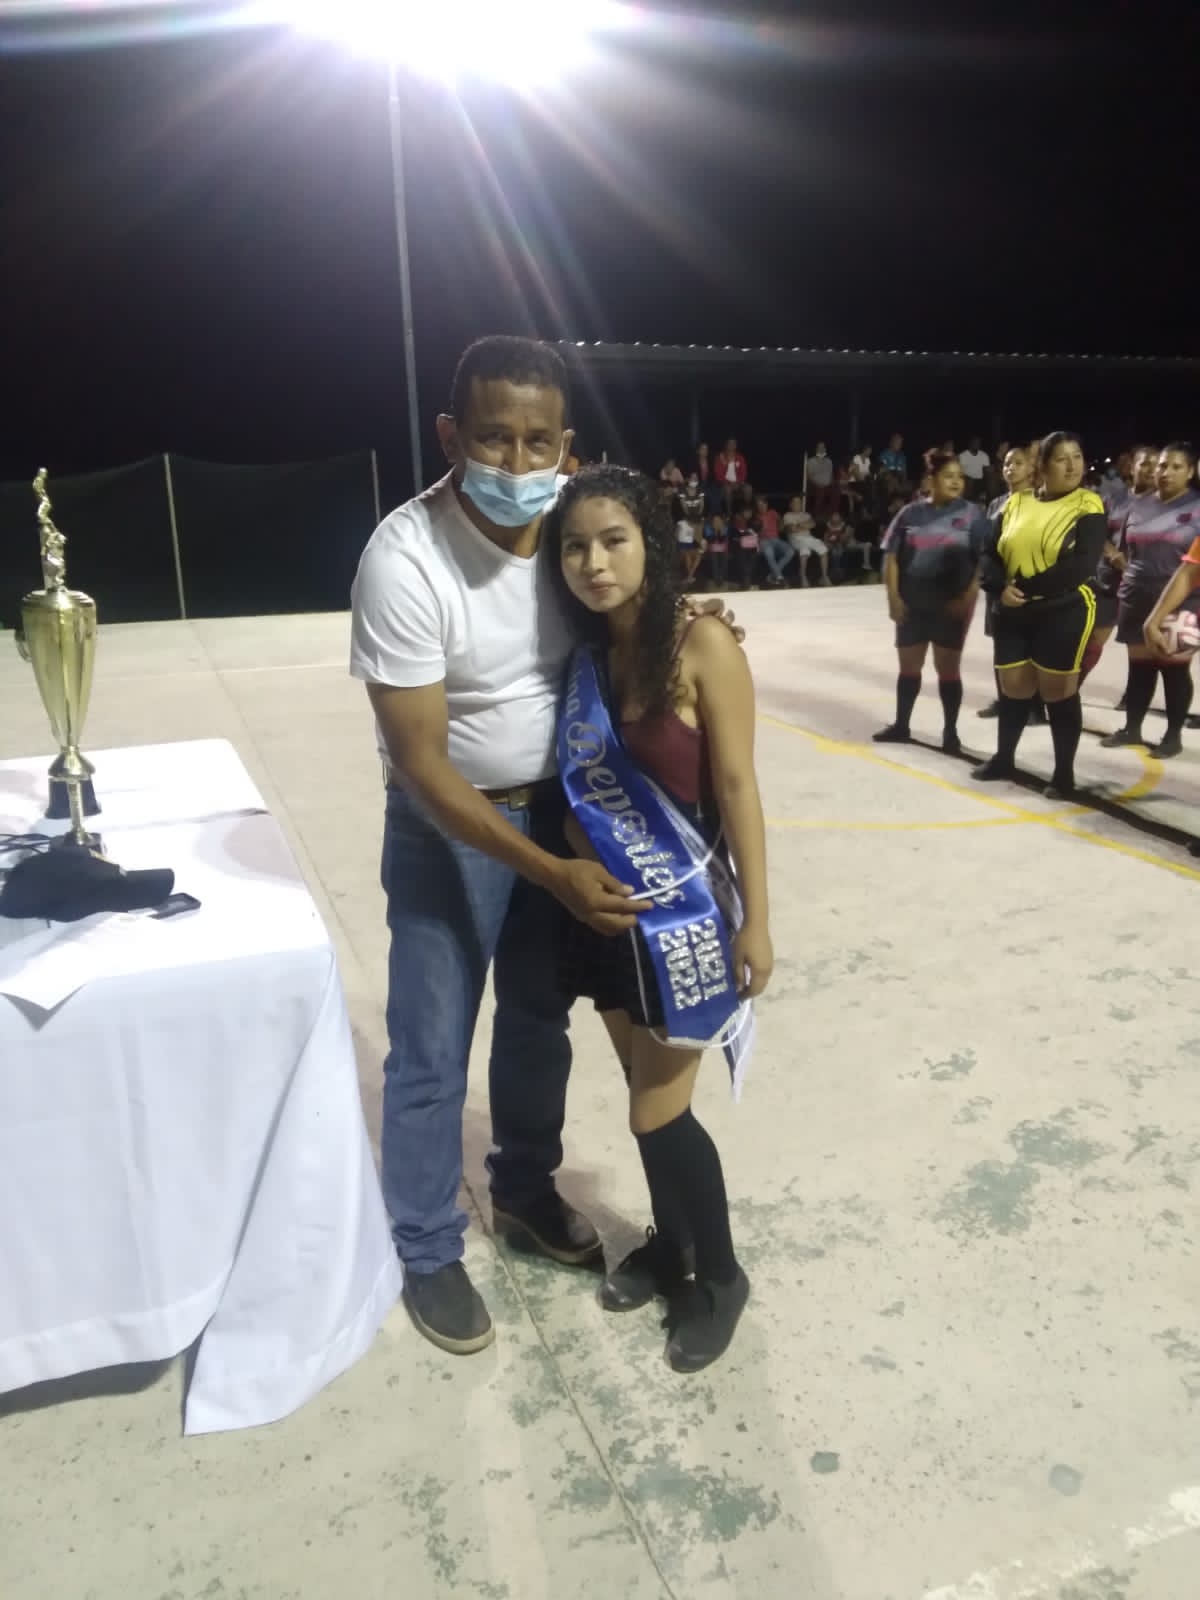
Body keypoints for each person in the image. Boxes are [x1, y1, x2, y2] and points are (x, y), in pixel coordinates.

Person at [350, 337, 738, 1356]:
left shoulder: (570, 531)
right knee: (433, 1045)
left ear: (567, 445)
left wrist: (693, 621)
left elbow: (631, 602)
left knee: (536, 1023)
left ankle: (523, 1190)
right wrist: (549, 871)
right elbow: (421, 761)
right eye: (493, 439)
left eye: (538, 443)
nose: (518, 463)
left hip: (570, 812)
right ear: (451, 436)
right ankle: (427, 1244)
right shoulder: (405, 557)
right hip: (452, 827)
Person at [546, 465, 771, 1372]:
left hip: (686, 920)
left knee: (653, 1115)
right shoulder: (584, 658)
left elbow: (738, 786)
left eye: (614, 540)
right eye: (575, 547)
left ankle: (720, 1274)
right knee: (645, 1100)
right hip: (610, 923)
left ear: (652, 542)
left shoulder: (703, 641)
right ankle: (670, 1244)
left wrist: (758, 922)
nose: (594, 563)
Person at [973, 431, 1108, 799]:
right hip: (1011, 611)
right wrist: (999, 587)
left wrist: (1023, 590)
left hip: (1063, 610)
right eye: (1062, 459)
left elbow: (1082, 565)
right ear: (1043, 466)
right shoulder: (1015, 503)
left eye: (1077, 457)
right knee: (1013, 688)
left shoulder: (1088, 504)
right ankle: (1004, 758)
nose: (1072, 466)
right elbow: (988, 552)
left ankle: (1063, 775)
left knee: (1057, 692)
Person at [873, 449, 989, 754]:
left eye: (959, 477)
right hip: (912, 602)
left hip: (951, 605)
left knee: (947, 668)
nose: (956, 482)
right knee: (909, 667)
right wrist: (893, 598)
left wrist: (969, 595)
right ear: (931, 479)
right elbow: (892, 557)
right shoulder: (909, 514)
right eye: (948, 476)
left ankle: (950, 732)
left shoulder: (972, 515)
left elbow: (985, 559)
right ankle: (901, 725)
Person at [1099, 443, 1200, 758]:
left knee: (1174, 669)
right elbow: (1126, 549)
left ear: (1191, 472)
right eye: (1162, 466)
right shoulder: (1139, 505)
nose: (1166, 472)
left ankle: (1172, 736)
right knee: (1139, 667)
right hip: (1137, 596)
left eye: (1176, 467)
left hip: (1183, 603)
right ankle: (1132, 728)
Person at [979, 446, 1042, 720]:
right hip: (998, 586)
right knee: (1001, 644)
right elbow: (986, 547)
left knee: (1031, 646)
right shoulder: (996, 504)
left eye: (1018, 463)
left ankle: (1035, 707)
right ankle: (1005, 700)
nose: (1011, 468)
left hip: (1026, 585)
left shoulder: (1040, 501)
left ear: (1031, 469)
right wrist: (994, 582)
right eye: (1007, 463)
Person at [781, 495, 831, 587]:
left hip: (809, 537)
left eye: (799, 502)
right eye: (795, 502)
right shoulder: (787, 515)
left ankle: (824, 576)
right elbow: (792, 529)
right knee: (805, 550)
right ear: (791, 505)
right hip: (795, 538)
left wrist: (798, 525)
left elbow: (812, 524)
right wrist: (804, 525)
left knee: (824, 549)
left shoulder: (806, 514)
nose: (798, 504)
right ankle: (803, 577)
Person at [755, 495, 796, 587]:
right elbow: (755, 531)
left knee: (790, 551)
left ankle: (771, 575)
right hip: (763, 540)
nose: (761, 507)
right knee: (769, 551)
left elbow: (781, 522)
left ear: (766, 504)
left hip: (776, 539)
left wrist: (781, 525)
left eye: (763, 504)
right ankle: (780, 577)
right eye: (759, 505)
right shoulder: (756, 516)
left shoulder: (772, 512)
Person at [730, 502, 761, 587]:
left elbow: (758, 535)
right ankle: (747, 581)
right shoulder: (737, 521)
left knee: (753, 557)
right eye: (746, 512)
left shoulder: (755, 521)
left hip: (752, 546)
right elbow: (733, 536)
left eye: (749, 512)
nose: (748, 514)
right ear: (742, 512)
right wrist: (741, 536)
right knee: (741, 557)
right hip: (740, 546)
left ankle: (746, 580)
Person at [714, 438, 749, 511]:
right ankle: (729, 512)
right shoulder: (720, 457)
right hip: (724, 484)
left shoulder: (740, 457)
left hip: (738, 483)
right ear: (726, 445)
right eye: (730, 443)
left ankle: (746, 510)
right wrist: (729, 483)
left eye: (734, 444)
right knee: (728, 489)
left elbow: (744, 472)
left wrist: (738, 482)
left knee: (748, 488)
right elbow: (718, 475)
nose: (732, 445)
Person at [805, 441, 837, 518]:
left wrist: (832, 483)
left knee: (836, 489)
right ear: (816, 449)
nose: (822, 449)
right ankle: (817, 514)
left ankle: (830, 513)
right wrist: (818, 484)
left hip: (827, 485)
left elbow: (831, 475)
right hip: (815, 485)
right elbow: (809, 477)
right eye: (820, 447)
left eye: (823, 447)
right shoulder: (811, 461)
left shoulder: (829, 461)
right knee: (820, 490)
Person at [958, 436, 990, 500]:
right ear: (970, 444)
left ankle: (989, 501)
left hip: (980, 480)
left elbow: (986, 470)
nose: (977, 445)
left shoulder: (984, 455)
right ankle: (967, 500)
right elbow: (960, 471)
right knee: (970, 481)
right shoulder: (963, 455)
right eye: (975, 443)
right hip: (967, 479)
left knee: (991, 479)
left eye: (978, 443)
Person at [705, 512, 730, 589]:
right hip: (712, 548)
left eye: (718, 520)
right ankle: (716, 579)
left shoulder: (725, 527)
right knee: (714, 559)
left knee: (724, 558)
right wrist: (715, 532)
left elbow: (723, 539)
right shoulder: (708, 527)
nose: (717, 521)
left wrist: (721, 531)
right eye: (715, 520)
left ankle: (722, 577)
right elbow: (709, 540)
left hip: (723, 548)